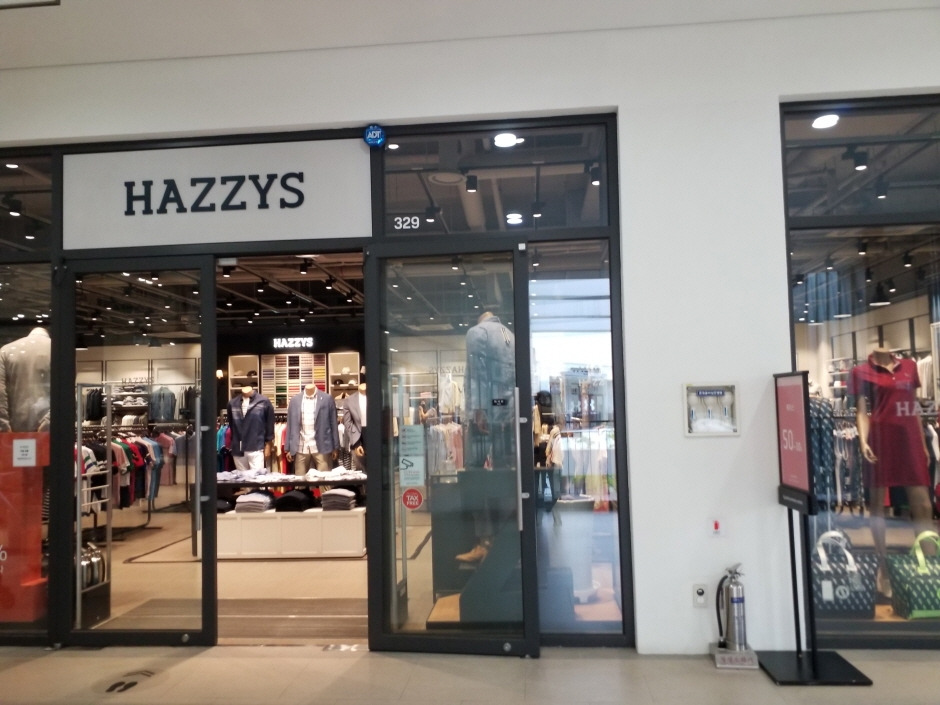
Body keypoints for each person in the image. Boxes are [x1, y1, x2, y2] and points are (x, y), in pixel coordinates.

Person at [850, 346, 936, 597]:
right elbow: (862, 411)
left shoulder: (910, 366)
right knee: (878, 507)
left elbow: (913, 406)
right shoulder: (860, 371)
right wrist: (863, 441)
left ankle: (930, 567)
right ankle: (884, 568)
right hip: (880, 438)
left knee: (923, 504)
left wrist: (922, 444)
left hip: (909, 438)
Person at [457, 310, 516, 563]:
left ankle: (484, 541)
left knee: (474, 472)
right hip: (508, 415)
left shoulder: (477, 333)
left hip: (485, 417)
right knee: (504, 472)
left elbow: (479, 376)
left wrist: (479, 410)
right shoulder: (510, 335)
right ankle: (506, 541)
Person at [0, 327, 51, 432]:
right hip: (50, 431)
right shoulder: (61, 350)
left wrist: (4, 426)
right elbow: (65, 391)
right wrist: (48, 422)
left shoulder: (5, 351)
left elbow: (1, 392)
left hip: (15, 428)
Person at [286, 383, 339, 473]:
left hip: (321, 446)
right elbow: (290, 425)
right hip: (301, 446)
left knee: (324, 478)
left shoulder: (327, 399)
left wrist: (335, 447)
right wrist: (288, 448)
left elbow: (333, 423)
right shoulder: (295, 401)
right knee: (300, 479)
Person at [226, 386, 275, 472]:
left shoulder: (263, 401)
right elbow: (231, 424)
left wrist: (268, 445)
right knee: (241, 477)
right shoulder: (232, 403)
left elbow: (269, 424)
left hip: (256, 446)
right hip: (238, 448)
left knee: (258, 477)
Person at [341, 382, 367, 472]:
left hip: (376, 437)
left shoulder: (378, 396)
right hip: (358, 437)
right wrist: (356, 444)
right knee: (361, 472)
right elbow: (348, 423)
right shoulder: (349, 400)